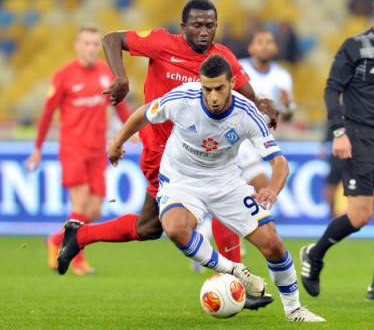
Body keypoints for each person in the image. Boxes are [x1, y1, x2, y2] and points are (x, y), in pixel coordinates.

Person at [57, 0, 277, 309]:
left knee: (148, 228)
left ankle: (79, 236)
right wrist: (121, 77)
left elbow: (247, 96)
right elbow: (112, 39)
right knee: (214, 204)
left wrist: (265, 106)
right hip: (162, 155)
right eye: (197, 25)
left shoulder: (222, 58)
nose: (204, 31)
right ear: (183, 26)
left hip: (199, 153)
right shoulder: (162, 43)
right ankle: (237, 280)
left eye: (210, 25)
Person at [107, 54, 324, 322]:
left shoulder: (248, 114)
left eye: (219, 88)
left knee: (273, 245)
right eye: (207, 89)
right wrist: (118, 142)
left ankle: (294, 310)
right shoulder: (182, 99)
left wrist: (271, 189)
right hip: (181, 179)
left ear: (232, 82)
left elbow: (279, 163)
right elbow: (143, 114)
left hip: (225, 182)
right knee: (175, 228)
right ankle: (234, 270)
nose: (213, 97)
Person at [300, 0, 374, 300]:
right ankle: (315, 253)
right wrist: (338, 131)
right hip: (359, 139)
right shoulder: (355, 46)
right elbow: (331, 89)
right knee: (361, 216)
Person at [26, 26, 131, 275]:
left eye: (95, 44)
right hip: (72, 148)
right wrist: (37, 149)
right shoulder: (64, 75)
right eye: (86, 43)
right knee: (81, 203)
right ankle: (77, 260)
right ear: (77, 45)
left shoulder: (106, 74)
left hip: (98, 151)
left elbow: (119, 106)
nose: (91, 48)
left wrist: (131, 130)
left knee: (94, 210)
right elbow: (47, 113)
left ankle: (55, 240)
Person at [238, 28, 296, 191]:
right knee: (263, 185)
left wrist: (286, 107)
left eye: (269, 42)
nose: (264, 46)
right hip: (240, 138)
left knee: (250, 195)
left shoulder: (282, 76)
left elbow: (289, 115)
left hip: (263, 140)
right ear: (251, 48)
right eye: (260, 42)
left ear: (275, 48)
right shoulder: (239, 68)